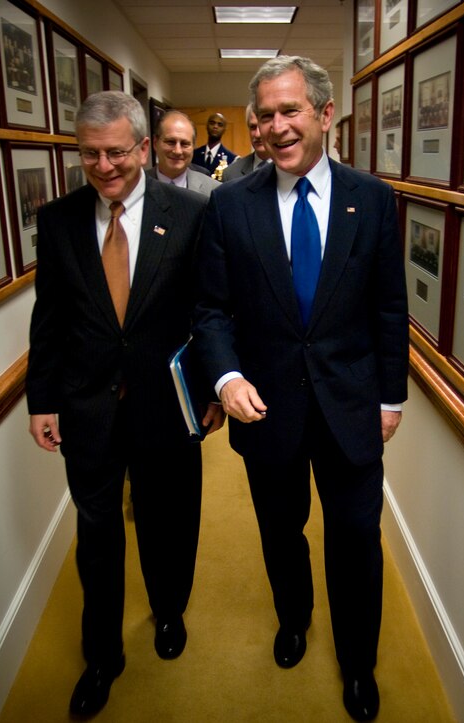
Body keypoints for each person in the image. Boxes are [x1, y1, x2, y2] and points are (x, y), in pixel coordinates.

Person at [192, 56, 408, 722]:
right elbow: (211, 310)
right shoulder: (230, 204)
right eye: (265, 115)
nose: (276, 127)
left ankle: (357, 661)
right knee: (280, 530)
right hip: (269, 410)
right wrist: (226, 376)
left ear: (323, 114)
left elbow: (389, 307)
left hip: (351, 408)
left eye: (290, 111)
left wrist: (390, 398)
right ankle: (294, 618)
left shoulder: (370, 198)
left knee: (355, 537)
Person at [27, 90, 224, 719]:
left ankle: (169, 613)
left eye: (116, 152)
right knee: (97, 534)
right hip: (88, 408)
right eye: (90, 155)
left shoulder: (192, 215)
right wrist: (42, 398)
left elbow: (209, 312)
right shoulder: (58, 221)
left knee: (169, 521)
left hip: (167, 407)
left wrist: (213, 388)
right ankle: (102, 655)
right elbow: (49, 318)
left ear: (143, 148)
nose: (104, 166)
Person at [153, 110, 220, 196]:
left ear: (194, 146)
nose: (177, 151)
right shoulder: (135, 185)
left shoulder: (214, 190)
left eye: (185, 144)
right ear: (155, 143)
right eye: (170, 142)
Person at [222, 103, 273, 182]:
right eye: (253, 127)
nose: (257, 134)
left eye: (262, 126)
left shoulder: (292, 170)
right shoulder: (231, 174)